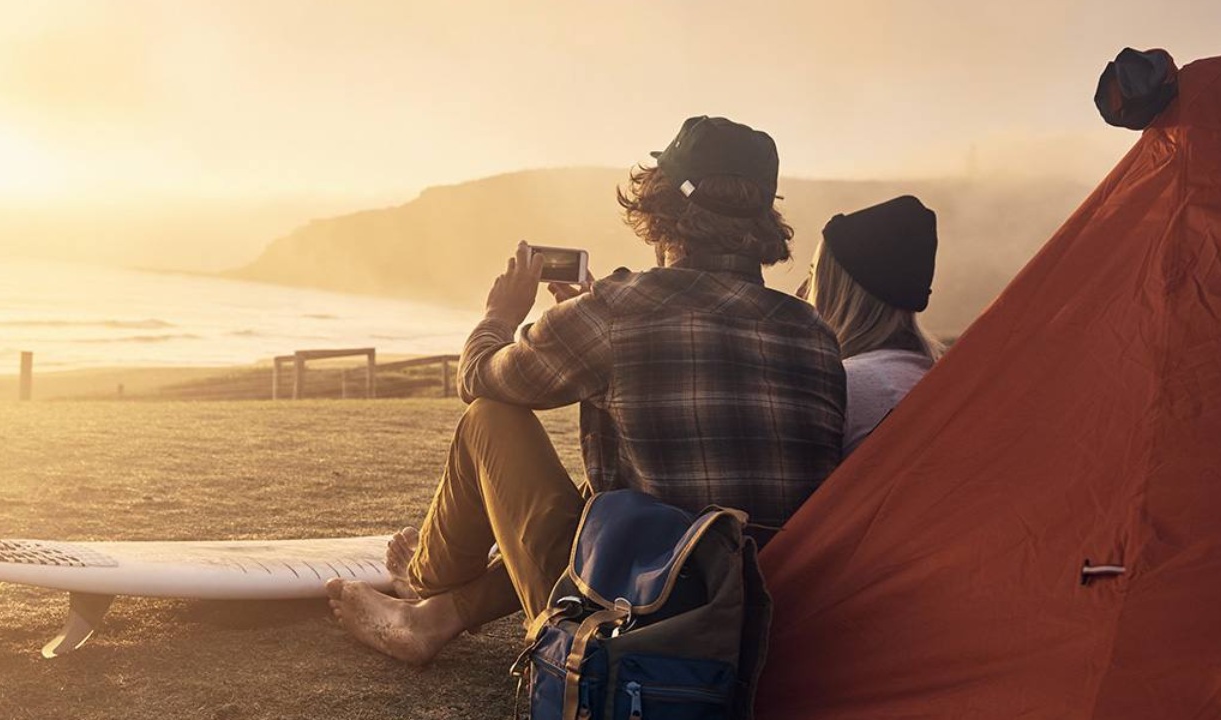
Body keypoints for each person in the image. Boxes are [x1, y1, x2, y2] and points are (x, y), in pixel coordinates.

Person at [326, 117, 847, 664]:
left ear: (660, 205)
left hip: (625, 619)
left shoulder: (620, 308)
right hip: (757, 624)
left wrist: (499, 316)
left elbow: (479, 375)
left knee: (490, 418)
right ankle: (439, 616)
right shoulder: (813, 332)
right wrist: (587, 321)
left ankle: (421, 580)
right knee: (613, 494)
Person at [801, 196, 944, 454]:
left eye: (814, 275)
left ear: (838, 292)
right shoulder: (935, 377)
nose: (803, 291)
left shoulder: (845, 386)